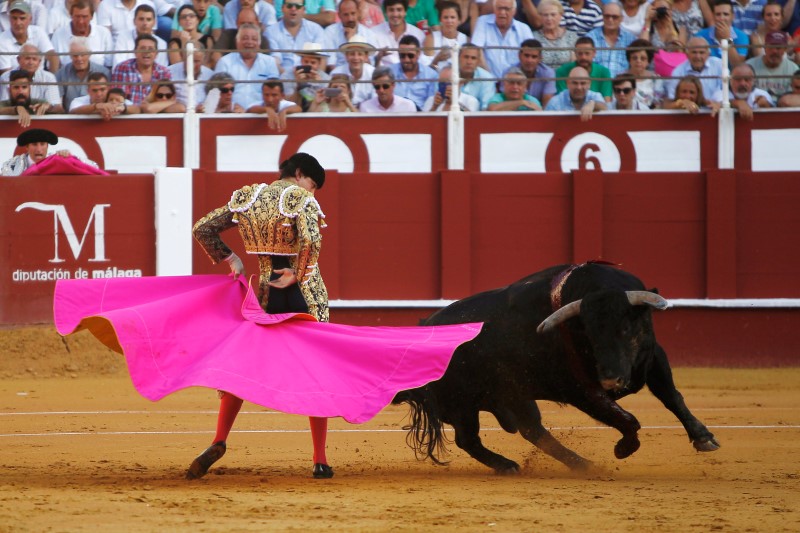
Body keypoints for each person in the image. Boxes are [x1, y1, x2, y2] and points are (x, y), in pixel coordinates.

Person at [189, 152, 334, 480]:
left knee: (243, 367)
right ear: (299, 174)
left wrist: (231, 258)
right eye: (312, 185)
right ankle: (320, 460)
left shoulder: (247, 197)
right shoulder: (302, 199)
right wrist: (297, 273)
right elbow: (311, 239)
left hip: (266, 296)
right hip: (305, 297)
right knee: (317, 372)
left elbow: (203, 229)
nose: (312, 192)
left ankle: (219, 439)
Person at [214, 23, 280, 109]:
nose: (249, 42)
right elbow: (217, 93)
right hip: (232, 114)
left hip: (262, 114)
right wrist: (233, 107)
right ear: (237, 42)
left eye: (254, 39)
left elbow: (275, 92)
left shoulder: (269, 62)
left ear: (259, 44)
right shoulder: (225, 62)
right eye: (245, 38)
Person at [470, 0, 534, 79]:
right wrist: (490, 79)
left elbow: (531, 55)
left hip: (515, 82)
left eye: (506, 9)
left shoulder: (524, 29)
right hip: (487, 79)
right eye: (499, 8)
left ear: (514, 11)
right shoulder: (482, 22)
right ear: (494, 9)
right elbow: (477, 51)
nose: (502, 12)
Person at [1, 128, 98, 176]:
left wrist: (70, 158)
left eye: (42, 144)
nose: (39, 149)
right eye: (34, 144)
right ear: (27, 147)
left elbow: (94, 167)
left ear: (47, 146)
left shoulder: (57, 159)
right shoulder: (13, 165)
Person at [265, 0, 327, 73]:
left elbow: (322, 59)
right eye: (289, 5)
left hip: (310, 76)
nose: (293, 9)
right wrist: (290, 79)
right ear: (282, 8)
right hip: (282, 79)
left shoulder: (316, 29)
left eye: (298, 6)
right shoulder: (270, 31)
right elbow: (274, 62)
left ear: (303, 10)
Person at [50, 0, 114, 69]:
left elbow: (109, 65)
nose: (81, 21)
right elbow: (53, 66)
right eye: (77, 16)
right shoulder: (58, 34)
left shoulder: (103, 33)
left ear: (92, 16)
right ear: (71, 16)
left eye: (84, 17)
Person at [111, 34, 173, 105]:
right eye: (142, 48)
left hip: (155, 114)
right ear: (135, 52)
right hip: (127, 114)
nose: (146, 52)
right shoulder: (122, 68)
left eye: (151, 49)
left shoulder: (164, 72)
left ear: (156, 54)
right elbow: (117, 98)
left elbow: (166, 101)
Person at [0, 44, 63, 112]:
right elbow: (3, 106)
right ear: (18, 60)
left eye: (34, 59)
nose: (31, 62)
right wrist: (17, 110)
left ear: (39, 62)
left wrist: (48, 107)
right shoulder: (6, 77)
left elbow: (57, 107)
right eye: (27, 58)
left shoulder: (48, 78)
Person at [0, 1, 58, 73]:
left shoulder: (38, 32)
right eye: (14, 18)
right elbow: (6, 74)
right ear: (9, 19)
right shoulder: (2, 40)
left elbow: (53, 57)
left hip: (40, 80)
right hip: (16, 82)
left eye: (22, 18)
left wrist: (52, 79)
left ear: (30, 19)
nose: (18, 23)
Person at [56, 39, 112, 111]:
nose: (79, 59)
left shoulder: (104, 72)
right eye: (75, 56)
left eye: (82, 55)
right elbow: (58, 104)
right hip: (70, 117)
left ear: (89, 54)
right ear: (70, 56)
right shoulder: (61, 73)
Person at [586, 2, 638, 77]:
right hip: (597, 83)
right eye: (607, 16)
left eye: (615, 17)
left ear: (621, 19)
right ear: (602, 17)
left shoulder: (631, 39)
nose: (610, 20)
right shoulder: (590, 38)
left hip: (622, 84)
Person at [322, 0, 379, 69]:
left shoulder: (369, 34)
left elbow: (369, 65)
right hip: (338, 75)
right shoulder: (330, 32)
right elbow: (331, 65)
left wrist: (351, 40)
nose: (350, 18)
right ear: (339, 15)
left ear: (358, 12)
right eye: (346, 14)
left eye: (353, 13)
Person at [665, 37, 724, 103]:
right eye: (694, 52)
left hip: (717, 110)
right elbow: (671, 100)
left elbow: (728, 92)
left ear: (708, 54)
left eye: (701, 53)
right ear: (687, 54)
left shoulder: (719, 65)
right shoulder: (678, 72)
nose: (698, 57)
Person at [555, 36, 613, 101]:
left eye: (587, 53)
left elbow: (606, 101)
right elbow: (562, 100)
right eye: (580, 53)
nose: (583, 57)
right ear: (575, 53)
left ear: (594, 53)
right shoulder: (562, 71)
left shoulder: (604, 72)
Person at [693, 0, 748, 66]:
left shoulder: (742, 36)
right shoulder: (700, 36)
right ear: (713, 16)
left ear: (733, 16)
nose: (722, 18)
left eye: (726, 14)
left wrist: (728, 39)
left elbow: (737, 65)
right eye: (718, 14)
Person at [389, 34, 437, 110]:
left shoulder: (431, 75)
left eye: (410, 56)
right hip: (394, 115)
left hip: (420, 117)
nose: (406, 59)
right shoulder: (389, 72)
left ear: (419, 53)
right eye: (402, 55)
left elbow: (432, 103)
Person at [373, 0, 426, 67]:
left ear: (405, 12)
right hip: (383, 74)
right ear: (386, 12)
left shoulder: (418, 34)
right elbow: (372, 61)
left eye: (399, 10)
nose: (395, 14)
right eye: (391, 10)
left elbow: (421, 62)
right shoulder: (374, 33)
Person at [746, 31, 798, 98]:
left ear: (785, 49)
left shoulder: (793, 69)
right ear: (764, 47)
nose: (774, 51)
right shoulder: (749, 66)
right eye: (771, 47)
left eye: (778, 48)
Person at [280, 41, 331, 110]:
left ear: (319, 64)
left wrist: (319, 85)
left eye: (313, 63)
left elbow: (326, 103)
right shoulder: (287, 76)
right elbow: (287, 103)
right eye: (306, 61)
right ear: (301, 61)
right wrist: (298, 85)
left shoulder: (326, 78)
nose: (309, 65)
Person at [69, 71, 141, 118]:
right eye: (94, 90)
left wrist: (123, 108)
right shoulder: (78, 101)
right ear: (88, 91)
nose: (99, 94)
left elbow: (137, 110)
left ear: (108, 89)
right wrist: (96, 107)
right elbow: (73, 112)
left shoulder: (116, 99)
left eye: (102, 89)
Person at [531, 0, 579, 70]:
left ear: (561, 15)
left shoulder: (571, 36)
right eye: (545, 15)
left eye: (553, 14)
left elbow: (576, 64)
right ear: (540, 16)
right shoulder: (534, 37)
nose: (549, 18)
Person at [331, 35, 376, 106]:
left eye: (360, 54)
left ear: (366, 57)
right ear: (346, 56)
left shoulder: (373, 73)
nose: (356, 58)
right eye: (352, 54)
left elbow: (376, 101)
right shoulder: (336, 73)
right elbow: (331, 100)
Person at [422, 1, 467, 70]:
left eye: (452, 17)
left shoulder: (465, 39)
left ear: (459, 20)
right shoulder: (431, 38)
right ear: (440, 20)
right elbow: (427, 69)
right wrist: (437, 59)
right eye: (446, 17)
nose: (449, 21)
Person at [168, 39, 213, 107]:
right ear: (182, 56)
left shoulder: (210, 76)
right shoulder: (169, 73)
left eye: (196, 61)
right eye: (189, 60)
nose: (192, 65)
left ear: (203, 58)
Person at [513, 38, 556, 108]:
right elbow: (506, 100)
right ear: (519, 56)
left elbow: (547, 106)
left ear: (540, 59)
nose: (529, 60)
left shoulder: (548, 73)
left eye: (534, 57)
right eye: (526, 55)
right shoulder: (509, 73)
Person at [624, 38, 667, 108]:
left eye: (643, 58)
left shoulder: (656, 80)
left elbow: (658, 104)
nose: (638, 61)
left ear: (648, 61)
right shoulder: (621, 78)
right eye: (635, 58)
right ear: (629, 60)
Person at [457, 43, 497, 110]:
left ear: (478, 61)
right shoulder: (446, 74)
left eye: (473, 58)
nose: (469, 62)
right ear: (458, 58)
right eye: (466, 57)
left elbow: (486, 109)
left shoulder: (487, 79)